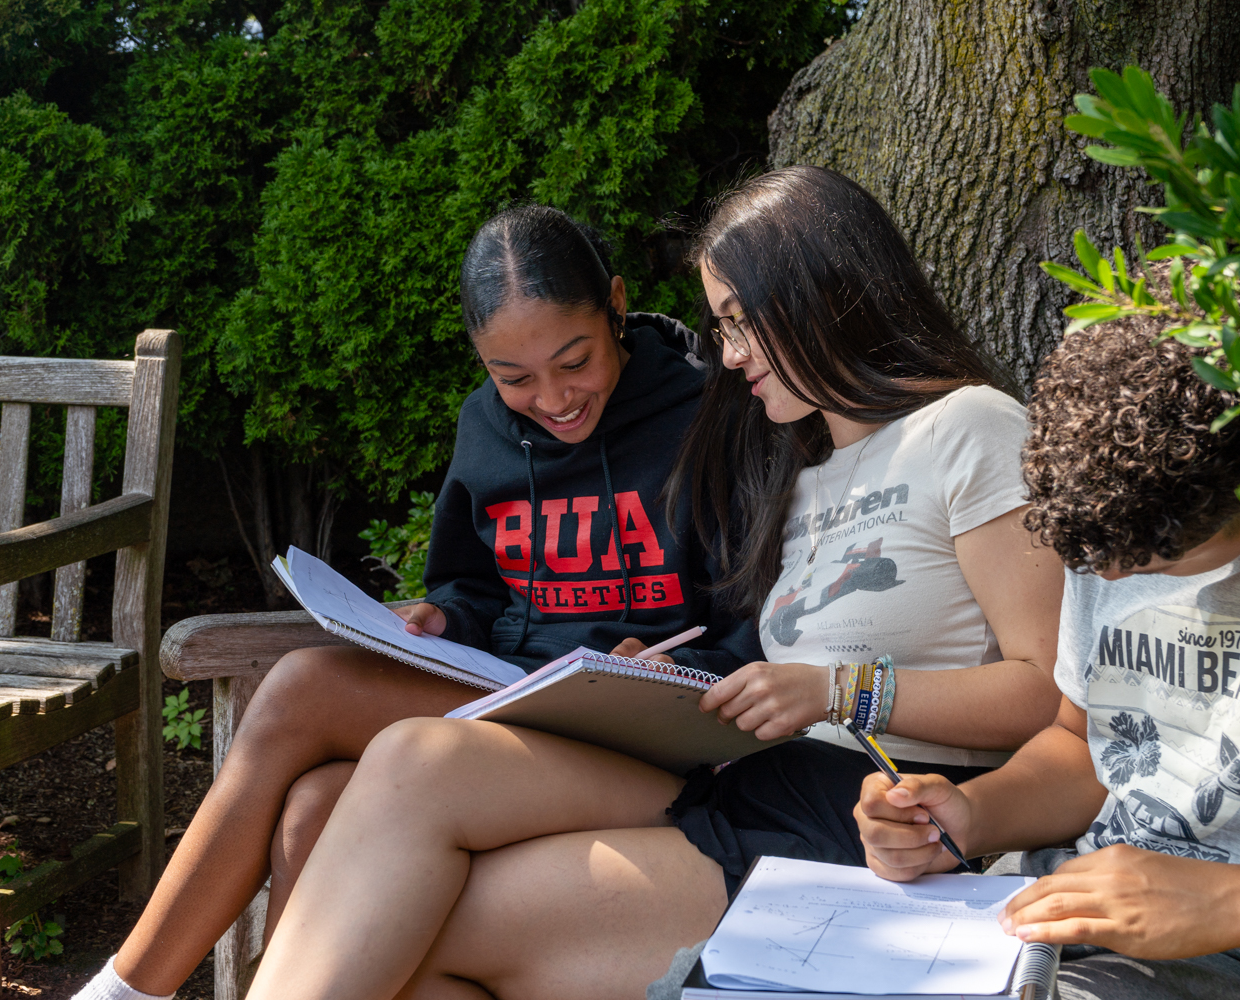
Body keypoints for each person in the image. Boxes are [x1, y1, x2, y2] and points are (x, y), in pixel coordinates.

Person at [238, 164, 1066, 1000]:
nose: (731, 355)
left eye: (743, 325)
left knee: (404, 913)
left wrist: (839, 690)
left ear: (824, 295)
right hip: (743, 787)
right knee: (401, 833)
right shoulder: (805, 470)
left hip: (875, 819)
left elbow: (1046, 693)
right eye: (722, 327)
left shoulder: (969, 427)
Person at [73, 205, 762, 1000]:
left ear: (615, 303)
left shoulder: (710, 416)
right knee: (312, 806)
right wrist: (440, 619)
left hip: (648, 731)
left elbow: (759, 623)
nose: (554, 398)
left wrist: (672, 665)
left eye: (575, 361)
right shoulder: (485, 428)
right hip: (516, 698)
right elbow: (471, 585)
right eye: (513, 378)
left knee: (303, 685)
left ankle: (125, 991)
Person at [854, 314, 1240, 1000]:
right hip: (1065, 900)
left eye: (1157, 561)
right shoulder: (1111, 502)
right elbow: (1083, 745)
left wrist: (1226, 901)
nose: (1116, 581)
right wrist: (969, 816)